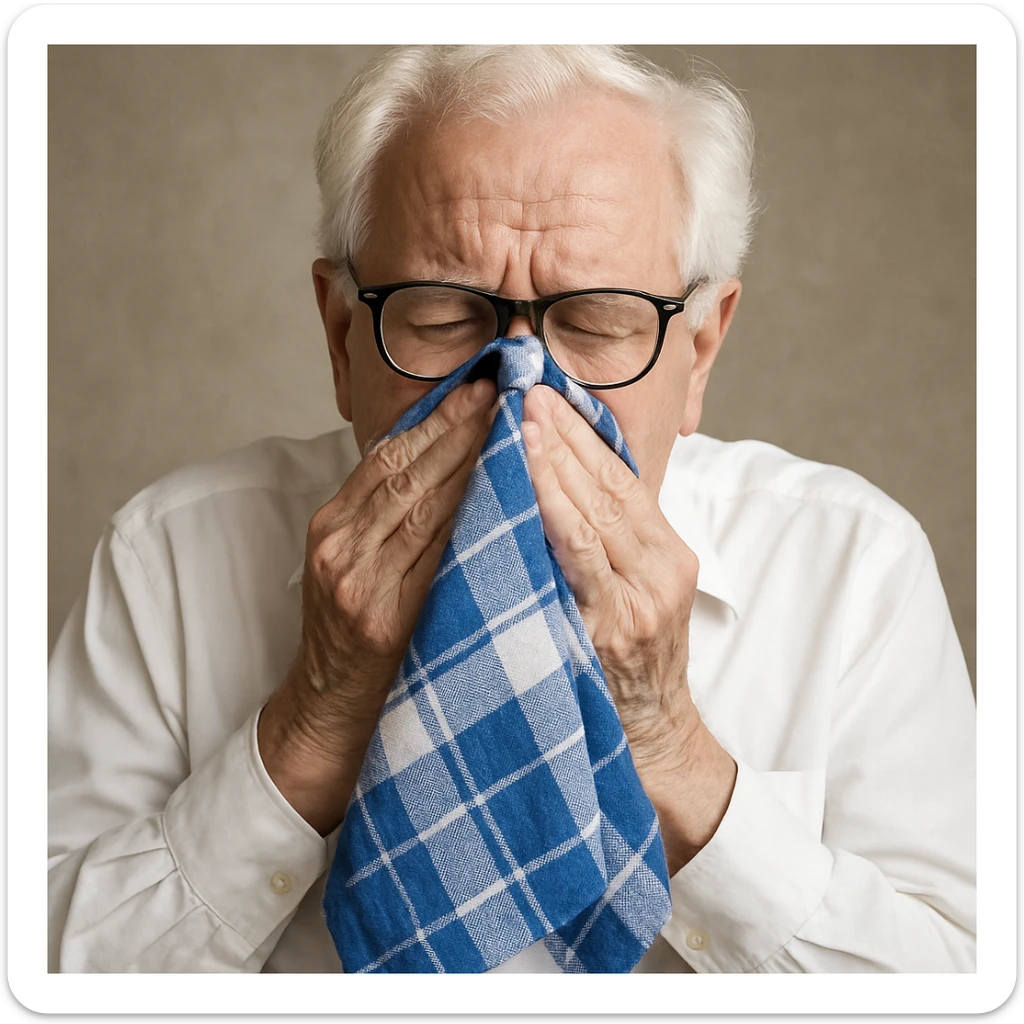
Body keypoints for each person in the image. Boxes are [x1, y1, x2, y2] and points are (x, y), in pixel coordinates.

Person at [48, 44, 976, 974]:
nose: (519, 390)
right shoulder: (168, 555)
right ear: (341, 337)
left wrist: (667, 740)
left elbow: (959, 973)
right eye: (445, 315)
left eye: (600, 319)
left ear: (699, 350)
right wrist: (314, 723)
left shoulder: (854, 566)